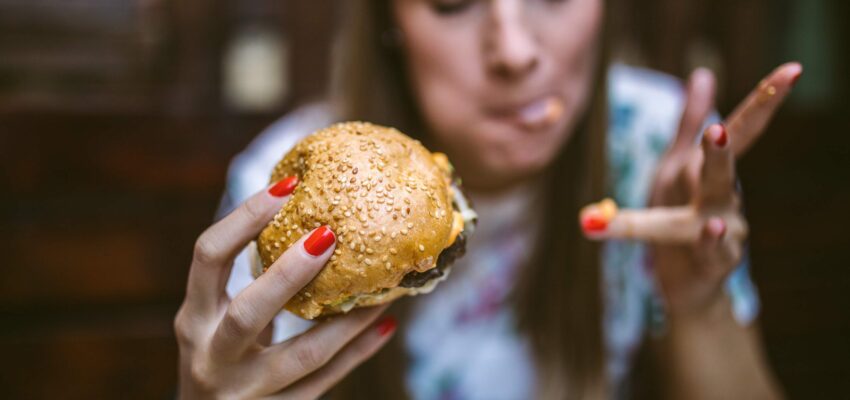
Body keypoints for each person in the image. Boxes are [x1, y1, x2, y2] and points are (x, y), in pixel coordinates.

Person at [174, 0, 798, 398]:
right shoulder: (288, 191)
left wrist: (700, 308)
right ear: (391, 20)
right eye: (452, 3)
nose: (516, 52)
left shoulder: (663, 146)